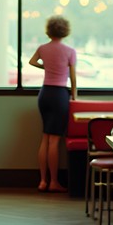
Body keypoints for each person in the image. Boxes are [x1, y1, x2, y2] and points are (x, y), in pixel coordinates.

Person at [28, 16, 77, 192]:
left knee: (45, 137)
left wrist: (47, 67)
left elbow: (32, 62)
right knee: (55, 141)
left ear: (49, 30)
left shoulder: (43, 48)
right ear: (65, 30)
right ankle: (54, 182)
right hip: (59, 95)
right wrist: (75, 96)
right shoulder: (69, 51)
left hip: (44, 94)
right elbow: (73, 78)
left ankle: (42, 181)